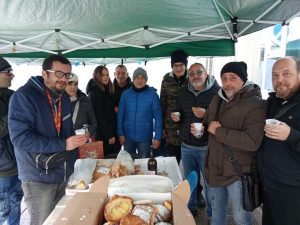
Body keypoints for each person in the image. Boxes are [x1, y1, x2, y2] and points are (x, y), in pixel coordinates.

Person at [8, 54, 88, 225]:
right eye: (59, 74)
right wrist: (64, 144)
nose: (64, 79)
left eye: (67, 75)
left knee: (61, 220)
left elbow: (64, 131)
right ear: (45, 73)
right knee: (43, 222)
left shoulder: (63, 97)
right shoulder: (24, 97)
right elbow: (20, 138)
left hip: (62, 171)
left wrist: (77, 141)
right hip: (38, 177)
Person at [204, 61, 267, 225]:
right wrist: (201, 129)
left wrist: (219, 131)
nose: (227, 83)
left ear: (243, 80)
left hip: (238, 172)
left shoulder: (256, 104)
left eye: (232, 78)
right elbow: (208, 122)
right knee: (217, 214)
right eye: (224, 78)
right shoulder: (217, 99)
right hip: (215, 169)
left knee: (240, 218)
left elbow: (253, 141)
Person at [172, 63, 219, 216]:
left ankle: (212, 214)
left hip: (208, 146)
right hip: (187, 145)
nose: (195, 76)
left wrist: (205, 115)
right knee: (189, 182)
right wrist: (176, 116)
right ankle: (190, 209)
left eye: (199, 72)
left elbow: (224, 118)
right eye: (192, 74)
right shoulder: (183, 92)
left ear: (206, 74)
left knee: (210, 183)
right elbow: (179, 110)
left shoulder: (217, 92)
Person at [259, 57, 300, 225]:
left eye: (286, 74)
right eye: (275, 75)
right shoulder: (273, 102)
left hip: (292, 191)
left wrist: (291, 135)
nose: (279, 80)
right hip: (269, 185)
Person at [118, 67, 162, 158]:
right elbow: (120, 116)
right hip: (128, 137)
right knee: (128, 163)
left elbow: (158, 118)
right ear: (133, 79)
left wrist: (157, 137)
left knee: (144, 164)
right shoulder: (125, 95)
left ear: (146, 80)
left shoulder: (153, 95)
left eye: (142, 77)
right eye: (137, 77)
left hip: (145, 138)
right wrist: (120, 134)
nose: (139, 80)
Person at [0, 57, 23, 225]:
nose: (12, 76)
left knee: (16, 202)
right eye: (8, 72)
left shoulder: (12, 95)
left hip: (18, 162)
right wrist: (14, 115)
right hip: (3, 168)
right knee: (4, 208)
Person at [160, 49, 189, 164]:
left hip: (188, 125)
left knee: (188, 161)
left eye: (181, 65)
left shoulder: (192, 78)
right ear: (172, 66)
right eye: (175, 65)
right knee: (173, 160)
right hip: (171, 127)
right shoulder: (166, 79)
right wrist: (162, 127)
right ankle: (174, 181)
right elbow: (163, 103)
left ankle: (189, 181)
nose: (178, 68)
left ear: (185, 65)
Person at [86, 66, 118, 157]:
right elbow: (99, 116)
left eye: (107, 75)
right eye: (102, 75)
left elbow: (105, 108)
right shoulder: (95, 92)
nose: (106, 77)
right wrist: (109, 135)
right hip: (103, 135)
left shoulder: (104, 89)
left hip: (108, 133)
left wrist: (113, 108)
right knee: (106, 162)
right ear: (97, 76)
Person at [65, 73, 98, 138]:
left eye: (75, 84)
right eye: (70, 83)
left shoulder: (85, 101)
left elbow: (94, 123)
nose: (73, 87)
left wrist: (89, 132)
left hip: (81, 142)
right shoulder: (58, 101)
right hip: (64, 143)